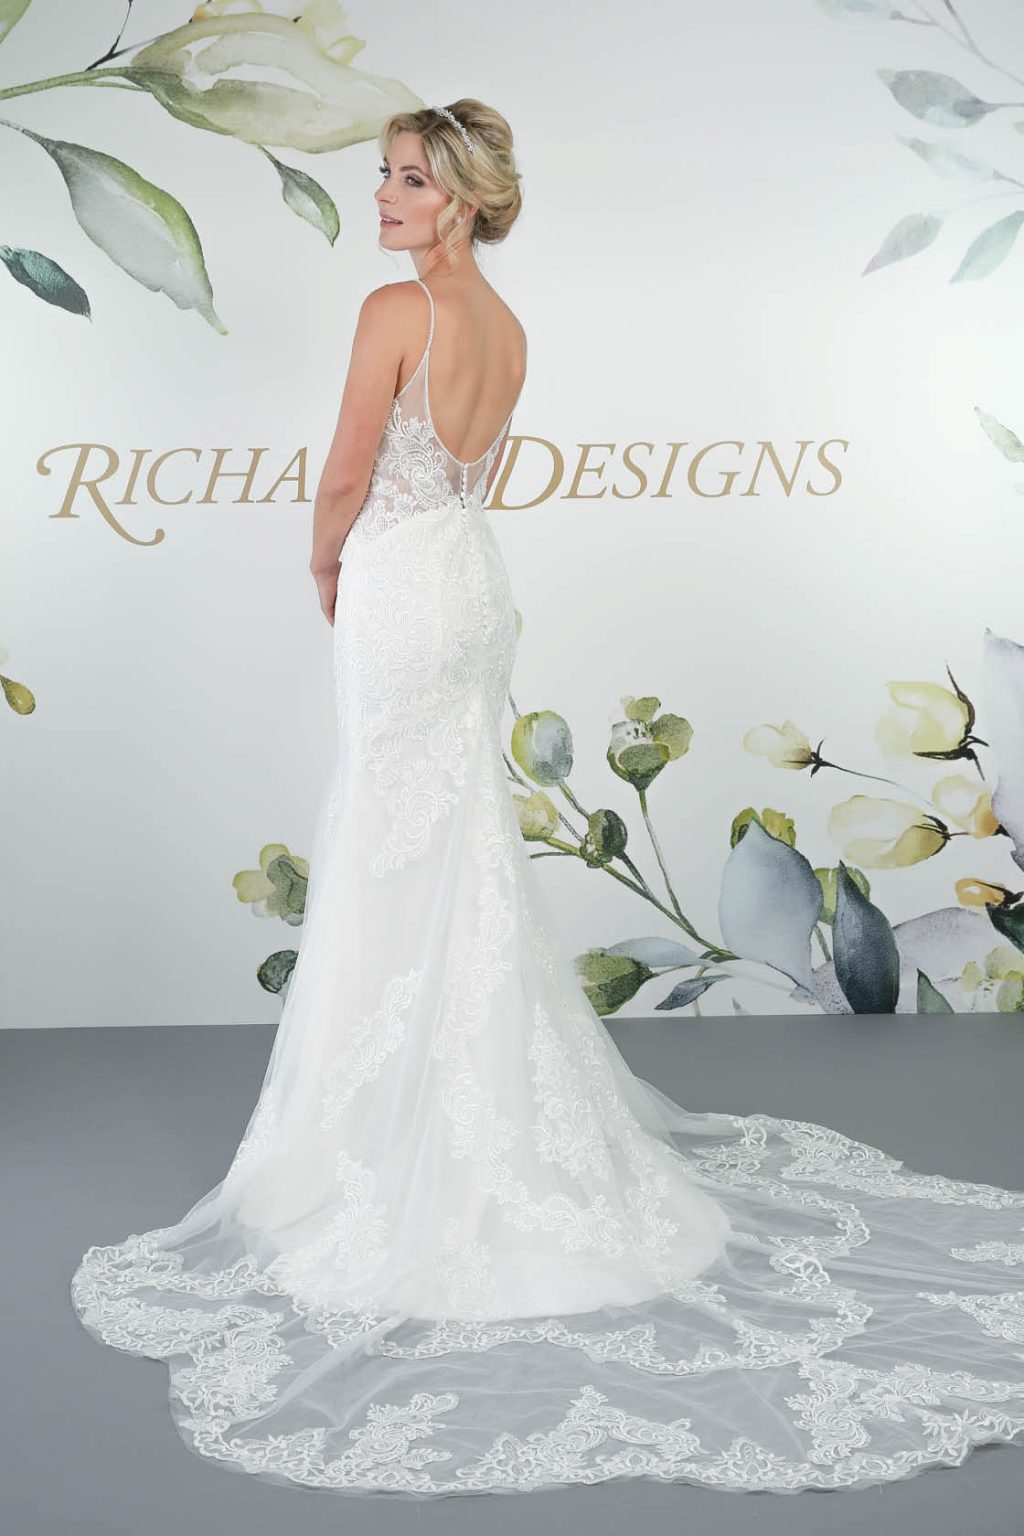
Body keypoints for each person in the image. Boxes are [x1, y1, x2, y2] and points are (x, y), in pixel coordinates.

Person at [71, 100, 1024, 1500]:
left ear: (457, 199)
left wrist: (324, 563)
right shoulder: (508, 328)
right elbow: (467, 473)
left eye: (406, 180)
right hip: (470, 581)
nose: (383, 197)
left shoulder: (396, 310)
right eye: (384, 177)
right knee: (454, 842)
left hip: (402, 583)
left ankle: (377, 1147)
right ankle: (458, 1111)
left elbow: (348, 471)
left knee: (394, 844)